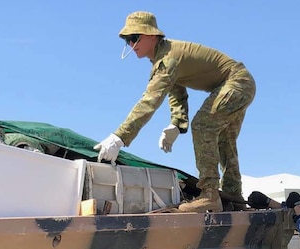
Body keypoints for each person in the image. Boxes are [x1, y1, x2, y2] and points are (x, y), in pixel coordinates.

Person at [93, 11, 257, 212]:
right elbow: (177, 94)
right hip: (240, 82)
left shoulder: (169, 59)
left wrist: (120, 136)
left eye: (134, 38)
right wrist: (176, 124)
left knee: (203, 126)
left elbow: (149, 101)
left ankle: (210, 195)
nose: (131, 45)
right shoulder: (164, 58)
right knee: (223, 138)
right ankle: (233, 197)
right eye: (127, 40)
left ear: (152, 36)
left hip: (236, 82)